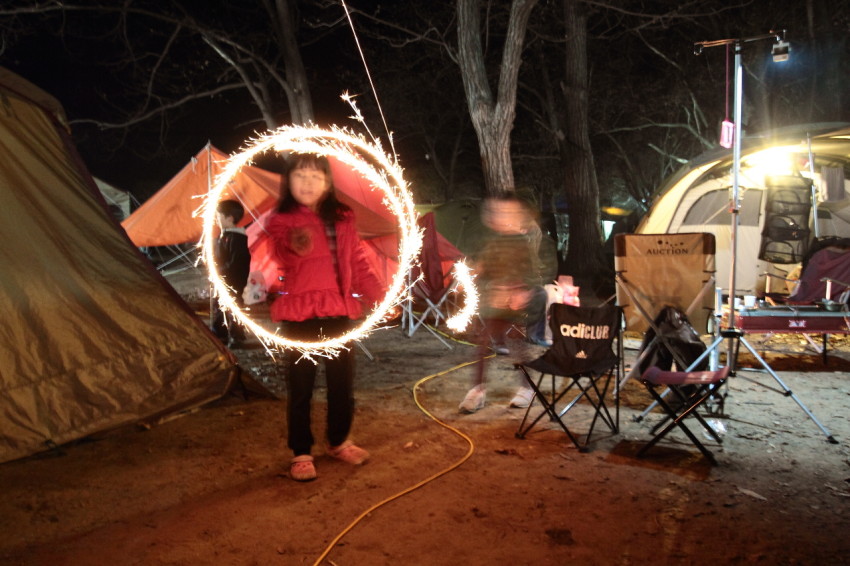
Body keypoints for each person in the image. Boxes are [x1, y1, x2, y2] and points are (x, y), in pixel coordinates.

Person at [266, 153, 385, 482]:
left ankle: (338, 441)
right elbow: (281, 253)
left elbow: (357, 261)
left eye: (315, 176)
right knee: (301, 386)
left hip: (338, 312)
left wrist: (380, 295)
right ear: (288, 182)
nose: (307, 182)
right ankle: (301, 451)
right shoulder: (282, 220)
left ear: (328, 182)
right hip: (299, 315)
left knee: (341, 382)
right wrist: (294, 241)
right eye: (299, 175)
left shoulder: (344, 217)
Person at [459, 194, 555, 413]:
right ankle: (477, 390)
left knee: (518, 346)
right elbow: (485, 269)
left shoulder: (522, 243)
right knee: (483, 345)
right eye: (496, 212)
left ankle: (527, 388)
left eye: (506, 212)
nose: (500, 216)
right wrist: (474, 274)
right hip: (495, 303)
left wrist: (523, 291)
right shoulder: (493, 242)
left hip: (517, 306)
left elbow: (534, 273)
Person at [212, 199, 251, 348]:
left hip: (233, 281)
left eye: (218, 216)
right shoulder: (224, 236)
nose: (216, 219)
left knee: (234, 308)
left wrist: (220, 272)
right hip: (222, 279)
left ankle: (237, 336)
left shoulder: (237, 238)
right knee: (219, 306)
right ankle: (219, 333)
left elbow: (237, 263)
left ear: (229, 218)